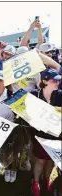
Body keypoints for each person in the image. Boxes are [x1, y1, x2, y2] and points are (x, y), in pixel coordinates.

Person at [30, 68, 62, 196]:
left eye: (58, 80)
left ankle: (47, 178)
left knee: (51, 161)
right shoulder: (34, 94)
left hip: (56, 135)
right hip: (40, 135)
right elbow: (28, 113)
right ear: (44, 81)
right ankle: (36, 182)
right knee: (41, 160)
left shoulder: (60, 95)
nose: (57, 83)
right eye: (54, 80)